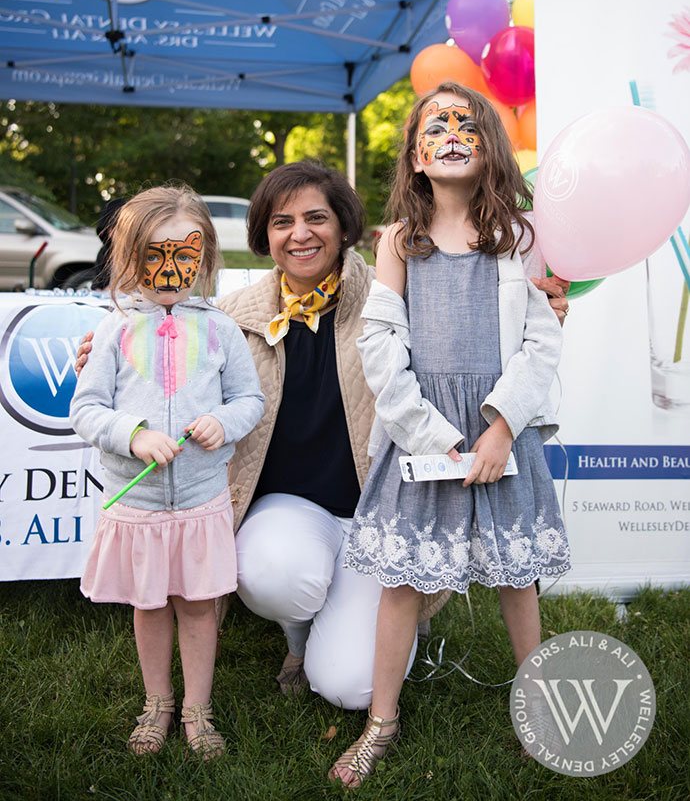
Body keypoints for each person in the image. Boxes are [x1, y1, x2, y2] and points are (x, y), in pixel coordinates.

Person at [75, 161, 569, 713]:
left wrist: (535, 314)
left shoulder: (395, 298)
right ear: (264, 233)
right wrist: (108, 361)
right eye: (282, 221)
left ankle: (382, 614)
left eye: (317, 217)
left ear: (344, 226)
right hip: (290, 513)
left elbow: (471, 336)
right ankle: (297, 636)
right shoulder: (229, 319)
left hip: (377, 516)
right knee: (269, 571)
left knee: (350, 688)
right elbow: (167, 360)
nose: (300, 234)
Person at [328, 83, 571, 788]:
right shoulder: (399, 241)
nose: (454, 134)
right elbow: (381, 345)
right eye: (437, 126)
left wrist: (497, 429)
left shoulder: (521, 237)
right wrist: (433, 435)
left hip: (500, 429)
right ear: (414, 154)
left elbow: (540, 342)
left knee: (516, 577)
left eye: (468, 124)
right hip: (424, 433)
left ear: (491, 143)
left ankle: (540, 708)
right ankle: (381, 719)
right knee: (403, 580)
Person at [70, 185, 264, 758]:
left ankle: (197, 709)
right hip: (141, 505)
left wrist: (221, 422)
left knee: (199, 606)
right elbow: (86, 410)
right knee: (150, 605)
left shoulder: (221, 329)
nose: (173, 267)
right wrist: (133, 435)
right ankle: (157, 702)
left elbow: (249, 400)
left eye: (187, 253)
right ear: (130, 257)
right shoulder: (115, 330)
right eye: (156, 254)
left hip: (202, 498)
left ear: (205, 256)